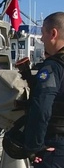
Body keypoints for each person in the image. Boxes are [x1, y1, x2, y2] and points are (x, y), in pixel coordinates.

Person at [23, 12, 64, 167]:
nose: (41, 39)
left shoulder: (53, 67)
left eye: (42, 33)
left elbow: (41, 109)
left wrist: (34, 146)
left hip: (56, 145)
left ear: (53, 33)